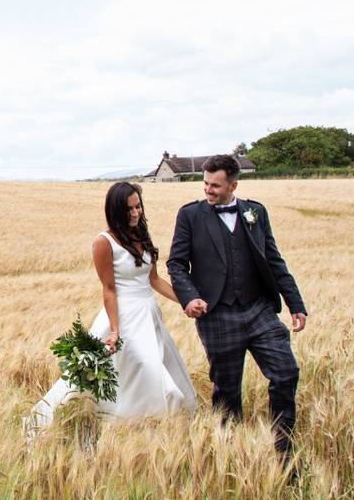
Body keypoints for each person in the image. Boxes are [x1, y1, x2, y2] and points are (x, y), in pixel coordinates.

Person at [167, 154, 306, 462]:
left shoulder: (255, 212)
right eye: (205, 184)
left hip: (259, 311)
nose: (208, 190)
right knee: (227, 392)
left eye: (215, 185)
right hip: (217, 314)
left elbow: (273, 259)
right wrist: (189, 297)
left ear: (233, 185)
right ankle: (232, 456)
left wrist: (295, 304)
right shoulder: (190, 215)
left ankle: (283, 447)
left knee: (286, 372)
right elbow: (176, 264)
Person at [25, 182, 196, 431]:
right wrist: (115, 330)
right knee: (148, 370)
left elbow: (155, 280)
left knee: (145, 372)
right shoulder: (103, 242)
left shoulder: (141, 234)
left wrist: (187, 301)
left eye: (138, 207)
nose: (136, 213)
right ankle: (114, 420)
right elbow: (109, 289)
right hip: (123, 316)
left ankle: (146, 426)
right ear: (115, 210)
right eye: (130, 209)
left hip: (149, 316)